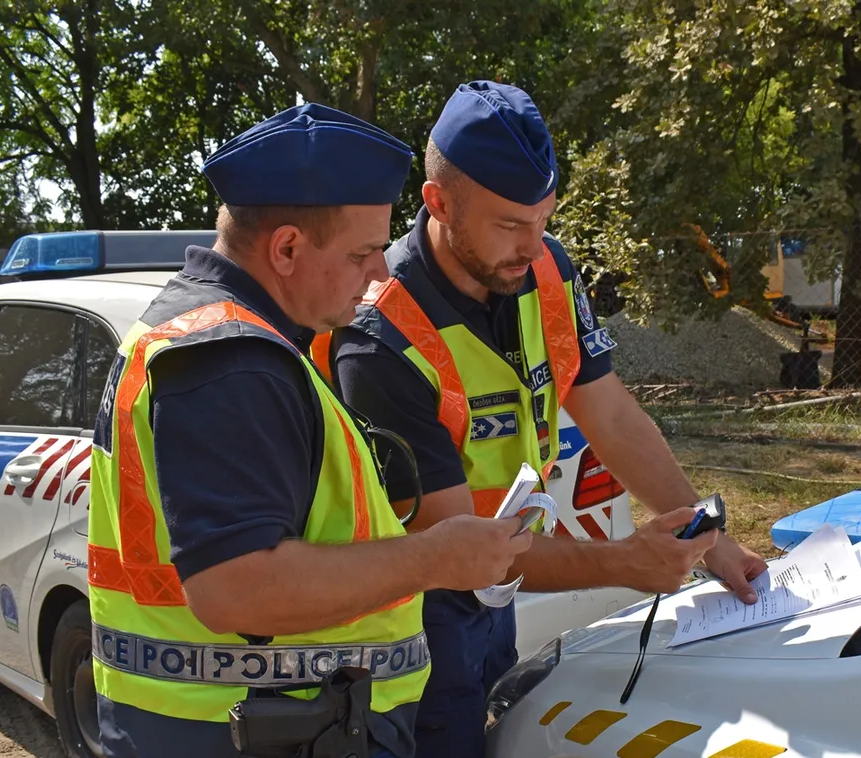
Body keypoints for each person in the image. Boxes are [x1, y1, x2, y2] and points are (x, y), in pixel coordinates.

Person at [323, 81, 771, 758]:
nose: (534, 247)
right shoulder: (379, 338)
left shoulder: (546, 270)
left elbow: (610, 414)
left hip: (496, 586)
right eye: (509, 224)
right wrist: (625, 561)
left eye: (544, 219)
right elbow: (452, 546)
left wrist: (708, 538)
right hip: (411, 616)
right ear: (438, 201)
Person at [86, 102, 532, 758]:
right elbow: (236, 587)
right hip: (258, 733)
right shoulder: (231, 361)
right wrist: (438, 556)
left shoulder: (223, 336)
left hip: (251, 727)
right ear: (287, 247)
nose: (380, 275)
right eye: (364, 254)